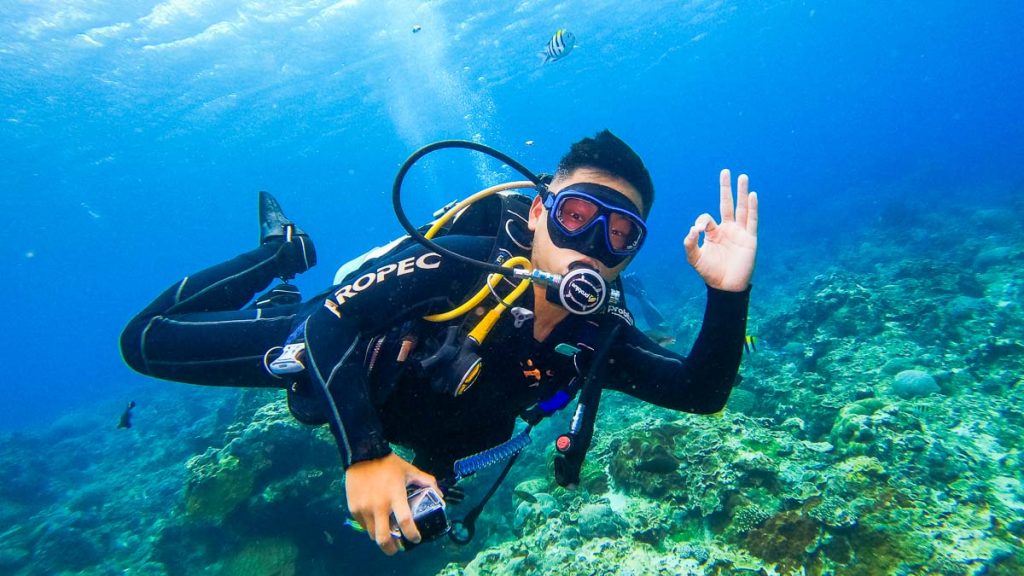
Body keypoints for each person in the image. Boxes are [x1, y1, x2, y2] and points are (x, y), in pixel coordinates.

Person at [120, 130, 758, 556]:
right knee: (145, 342)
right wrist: (366, 455)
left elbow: (700, 392)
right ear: (538, 212)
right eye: (575, 215)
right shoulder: (460, 265)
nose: (591, 245)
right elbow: (331, 326)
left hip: (426, 433)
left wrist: (729, 295)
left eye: (620, 233)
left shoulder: (596, 336)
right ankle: (282, 254)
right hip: (340, 354)